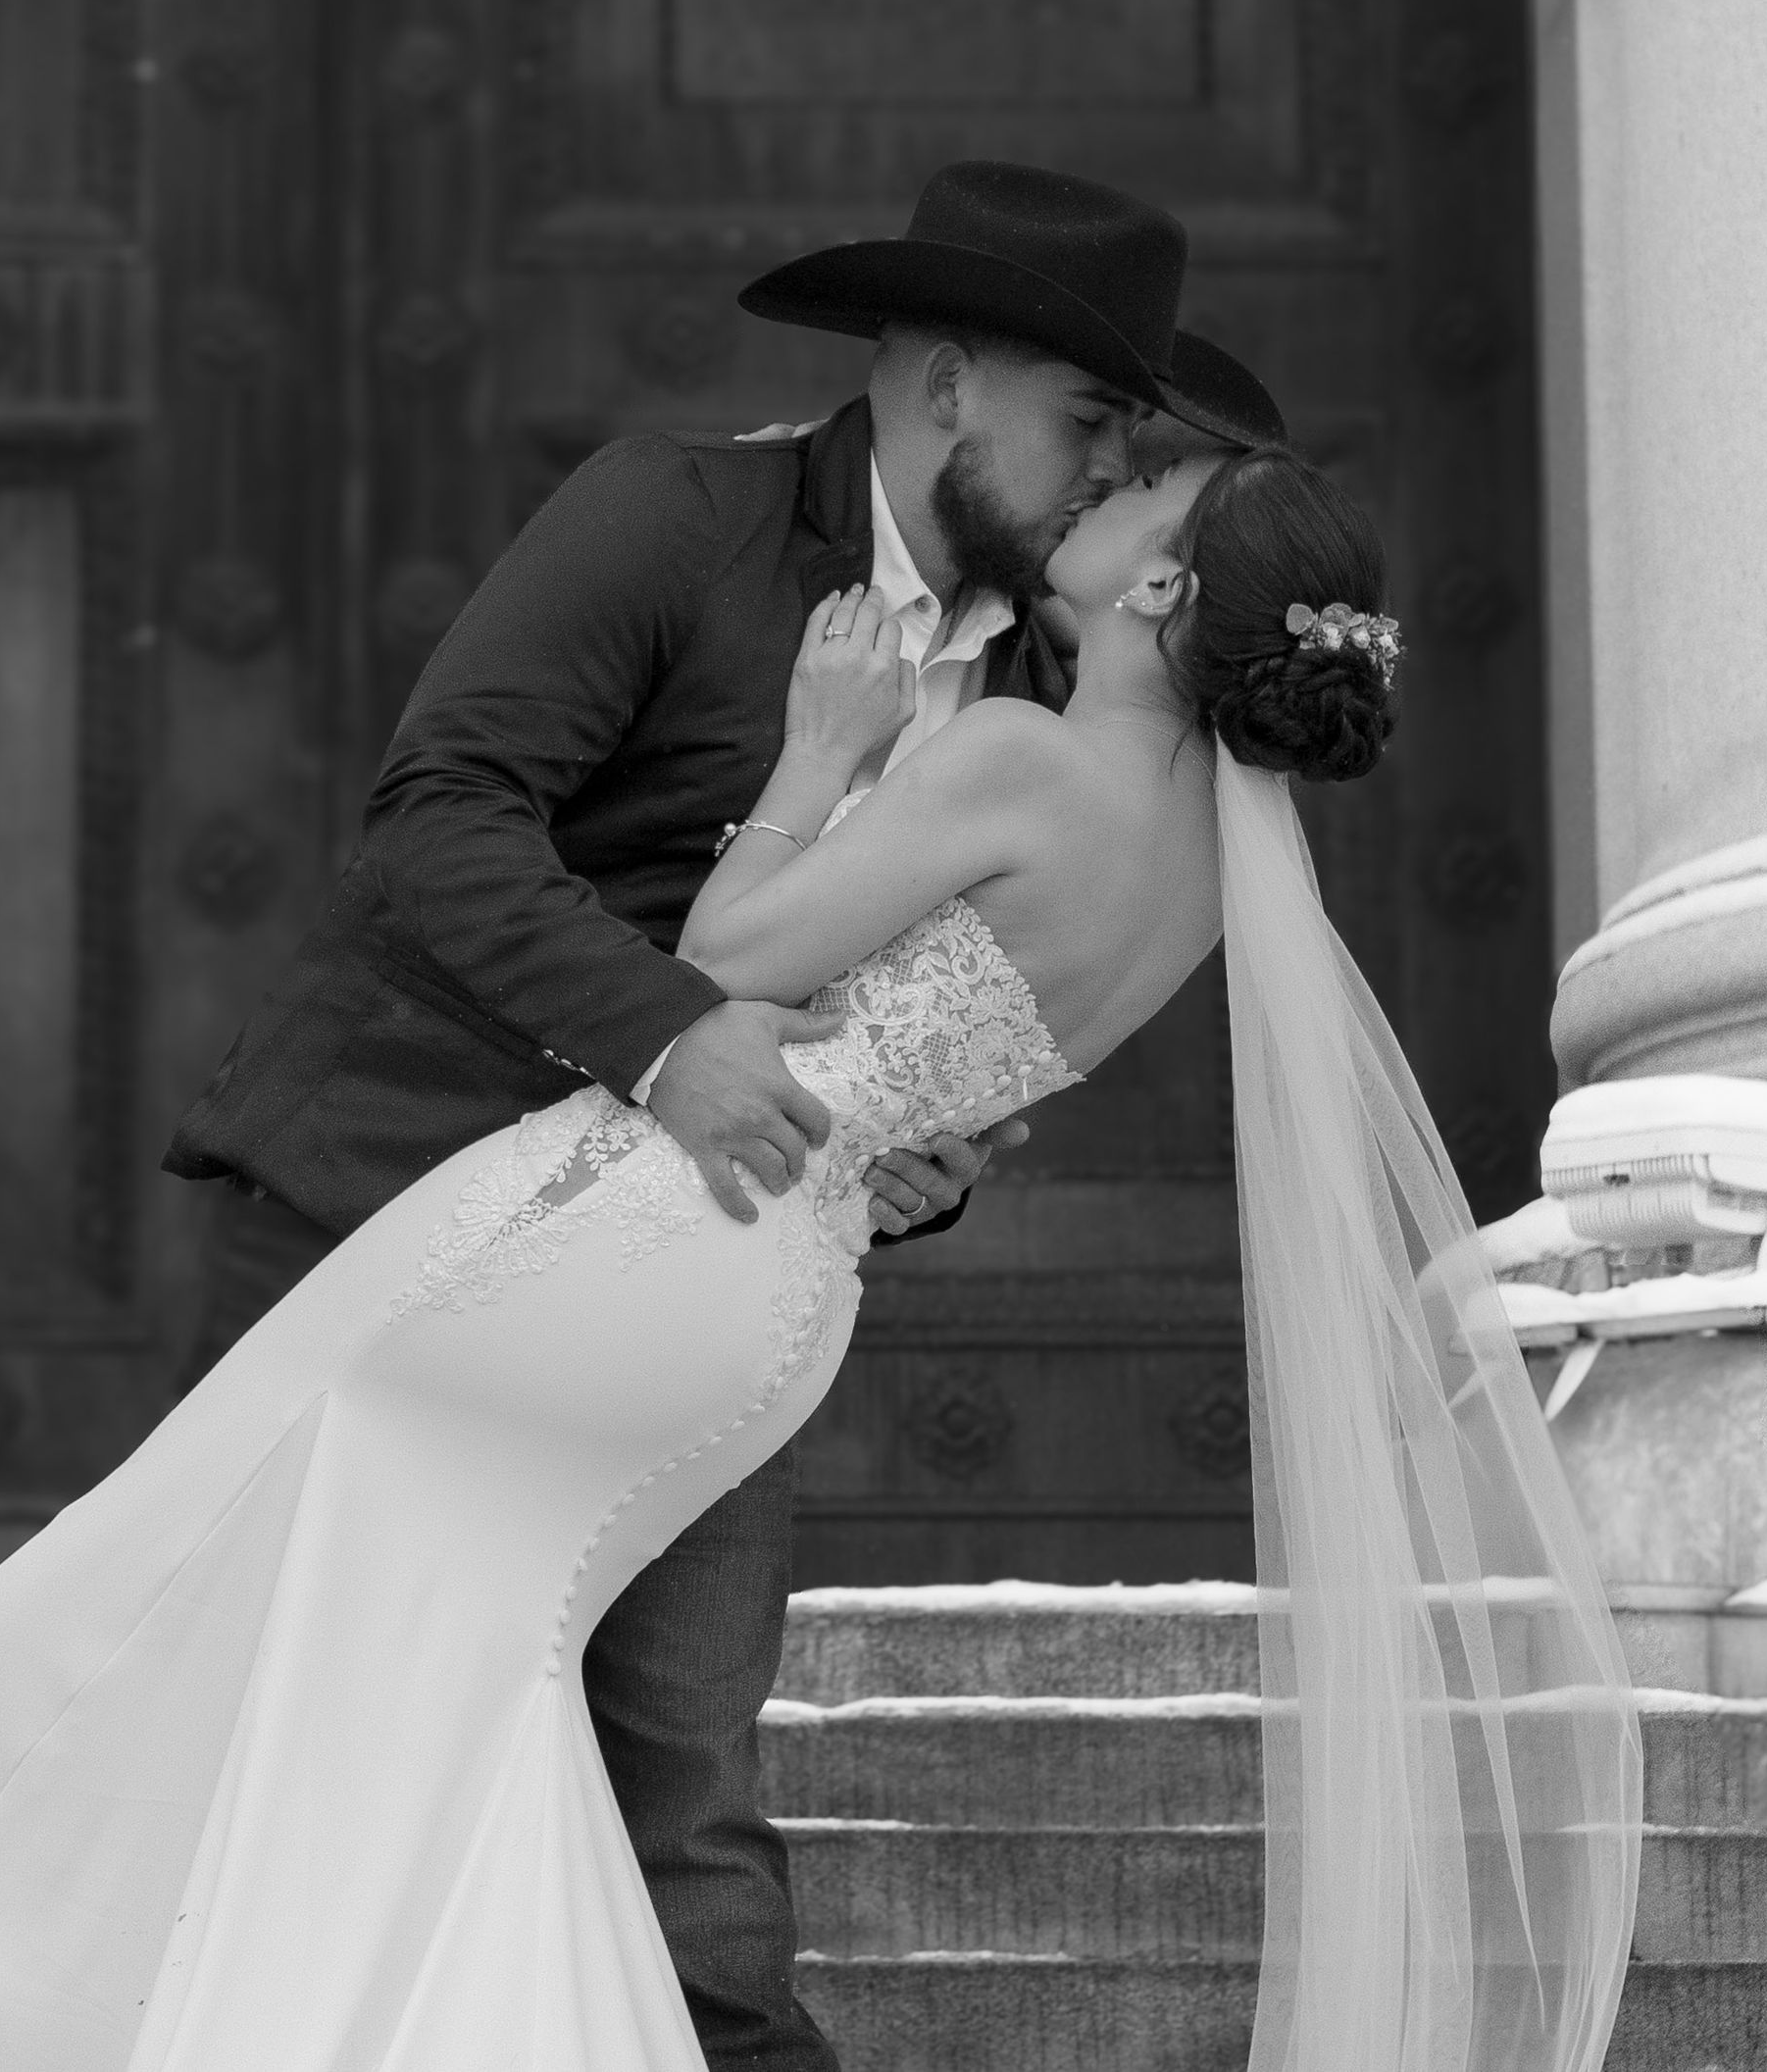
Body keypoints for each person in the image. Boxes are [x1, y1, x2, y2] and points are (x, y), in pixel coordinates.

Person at [0, 438, 1641, 2072]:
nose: (1110, 490)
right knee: (448, 1657)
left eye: (1149, 495)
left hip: (662, 1214)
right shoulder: (1210, 864)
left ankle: (88, 1972)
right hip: (788, 1288)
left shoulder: (1018, 761)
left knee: (271, 1511)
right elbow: (941, 1072)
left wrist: (820, 752)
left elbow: (730, 953)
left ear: (1168, 588)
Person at [152, 155, 1285, 2072]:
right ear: (948, 382)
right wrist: (678, 1034)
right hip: (370, 1214)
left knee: (686, 1827)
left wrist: (913, 1157)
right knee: (273, 1756)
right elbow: (433, 817)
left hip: (691, 1290)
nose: (1108, 469)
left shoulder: (1040, 680)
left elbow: (900, 1023)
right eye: (1091, 416)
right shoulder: (669, 516)